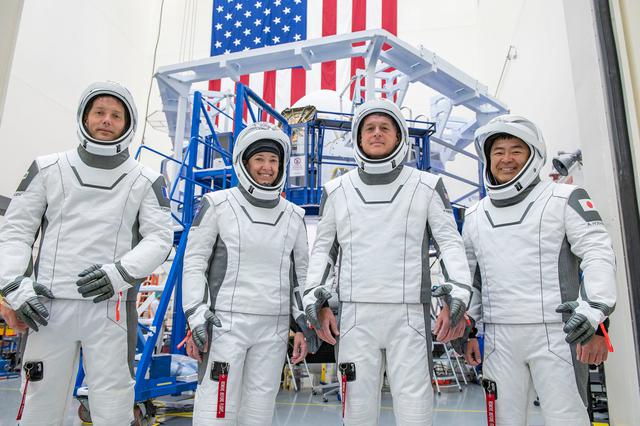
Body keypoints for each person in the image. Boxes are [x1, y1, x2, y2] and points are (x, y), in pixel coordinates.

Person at [0, 81, 173, 425]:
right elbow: (16, 231)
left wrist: (118, 273)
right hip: (47, 308)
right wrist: (13, 286)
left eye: (116, 115)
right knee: (38, 406)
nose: (107, 120)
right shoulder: (47, 168)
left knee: (114, 408)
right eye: (99, 112)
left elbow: (159, 238)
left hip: (111, 308)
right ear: (84, 116)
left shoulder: (145, 180)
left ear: (127, 123)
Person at [303, 99, 471, 425]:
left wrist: (457, 295)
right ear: (359, 137)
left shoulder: (427, 186)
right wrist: (316, 300)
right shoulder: (336, 190)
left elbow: (450, 244)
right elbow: (323, 251)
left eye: (384, 128)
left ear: (398, 137)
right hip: (355, 317)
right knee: (356, 413)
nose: (377, 133)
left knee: (415, 413)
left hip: (409, 316)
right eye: (369, 128)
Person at [459, 114, 616, 425]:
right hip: (499, 339)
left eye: (516, 150)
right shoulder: (475, 214)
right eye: (498, 152)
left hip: (558, 335)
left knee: (567, 419)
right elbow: (471, 279)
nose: (506, 159)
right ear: (488, 159)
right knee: (503, 420)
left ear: (534, 155)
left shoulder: (565, 198)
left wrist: (595, 315)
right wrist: (469, 330)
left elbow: (598, 253)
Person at [181, 122, 317, 425]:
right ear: (244, 161)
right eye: (259, 159)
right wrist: (196, 314)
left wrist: (302, 325)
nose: (267, 167)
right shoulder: (217, 205)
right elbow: (194, 263)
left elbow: (302, 274)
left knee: (258, 414)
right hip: (225, 326)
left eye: (273, 160)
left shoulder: (294, 215)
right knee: (216, 413)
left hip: (274, 329)